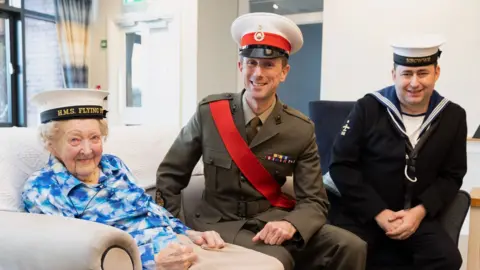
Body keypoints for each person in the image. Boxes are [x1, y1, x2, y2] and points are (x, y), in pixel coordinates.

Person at [156, 12, 366, 270]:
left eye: (268, 65)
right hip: (219, 224)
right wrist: (176, 231)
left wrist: (291, 224)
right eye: (252, 63)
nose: (258, 73)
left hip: (271, 221)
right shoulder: (211, 112)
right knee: (278, 258)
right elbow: (169, 176)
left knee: (351, 246)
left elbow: (315, 200)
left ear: (284, 72)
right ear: (240, 67)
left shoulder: (300, 128)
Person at [22, 89, 284, 270]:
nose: (88, 150)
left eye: (95, 138)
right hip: (141, 261)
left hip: (178, 247)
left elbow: (150, 209)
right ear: (51, 144)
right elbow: (74, 253)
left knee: (270, 265)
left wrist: (191, 233)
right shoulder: (43, 189)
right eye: (75, 139)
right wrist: (153, 260)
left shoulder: (112, 165)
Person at [328, 36, 466, 270]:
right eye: (406, 74)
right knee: (347, 253)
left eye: (422, 73)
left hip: (415, 217)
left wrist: (419, 212)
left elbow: (452, 175)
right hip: (365, 215)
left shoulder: (453, 116)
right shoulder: (368, 108)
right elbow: (341, 166)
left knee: (448, 258)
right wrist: (378, 212)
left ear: (437, 72)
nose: (414, 82)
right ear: (394, 75)